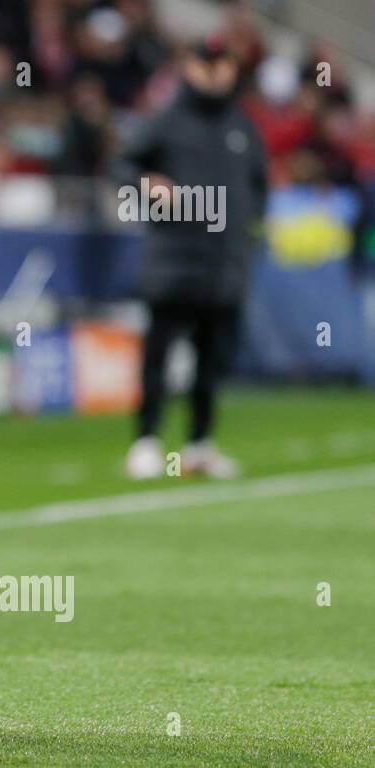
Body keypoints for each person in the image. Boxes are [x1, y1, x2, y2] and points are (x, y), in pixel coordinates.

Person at [114, 36, 268, 479]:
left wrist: (246, 237)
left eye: (224, 62)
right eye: (208, 62)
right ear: (190, 66)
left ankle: (200, 444)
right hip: (173, 262)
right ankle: (146, 442)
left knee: (211, 362)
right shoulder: (166, 120)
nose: (217, 71)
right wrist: (146, 181)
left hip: (224, 267)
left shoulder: (242, 124)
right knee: (158, 357)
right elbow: (121, 166)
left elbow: (260, 189)